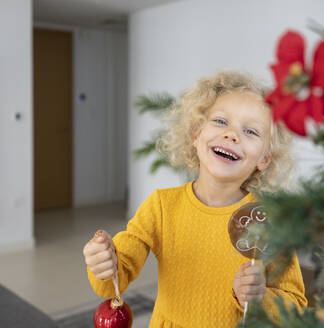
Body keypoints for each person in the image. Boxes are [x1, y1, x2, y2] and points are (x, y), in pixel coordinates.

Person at [83, 71, 307, 327]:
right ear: (195, 134)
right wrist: (104, 263)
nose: (232, 135)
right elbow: (113, 282)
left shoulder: (269, 221)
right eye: (221, 121)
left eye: (251, 131)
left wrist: (261, 298)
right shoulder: (161, 207)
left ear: (265, 158)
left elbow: (296, 306)